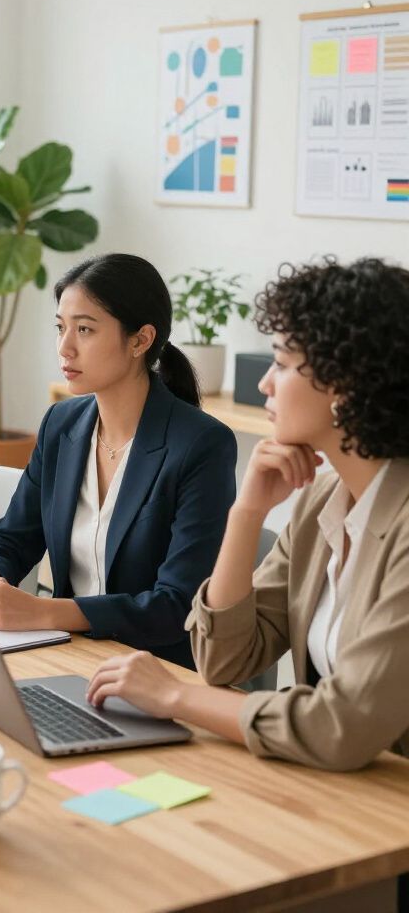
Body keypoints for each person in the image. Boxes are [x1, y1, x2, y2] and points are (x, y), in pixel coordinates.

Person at [86, 257, 409, 778]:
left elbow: (342, 725)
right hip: (338, 793)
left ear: (345, 381)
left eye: (281, 363)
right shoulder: (323, 501)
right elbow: (225, 661)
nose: (264, 385)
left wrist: (175, 695)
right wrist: (247, 512)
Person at [0, 253, 237, 669]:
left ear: (140, 340)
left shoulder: (202, 445)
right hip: (70, 656)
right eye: (60, 327)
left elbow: (177, 605)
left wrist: (45, 612)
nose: (65, 347)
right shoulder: (62, 424)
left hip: (157, 673)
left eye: (84, 329)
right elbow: (13, 537)